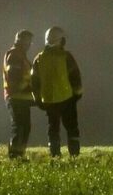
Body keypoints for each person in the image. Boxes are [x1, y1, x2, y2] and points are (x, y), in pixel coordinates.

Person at [31, 26, 83, 157]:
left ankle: (55, 155)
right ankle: (74, 155)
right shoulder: (66, 56)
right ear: (61, 40)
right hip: (67, 98)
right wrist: (77, 94)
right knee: (72, 128)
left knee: (53, 129)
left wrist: (38, 100)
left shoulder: (38, 58)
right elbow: (75, 76)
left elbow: (34, 82)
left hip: (48, 100)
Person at [3, 30, 34, 158]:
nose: (30, 45)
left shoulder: (20, 55)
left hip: (22, 96)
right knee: (19, 126)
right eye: (28, 42)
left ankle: (18, 154)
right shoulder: (15, 55)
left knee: (24, 126)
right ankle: (15, 156)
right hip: (16, 96)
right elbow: (14, 77)